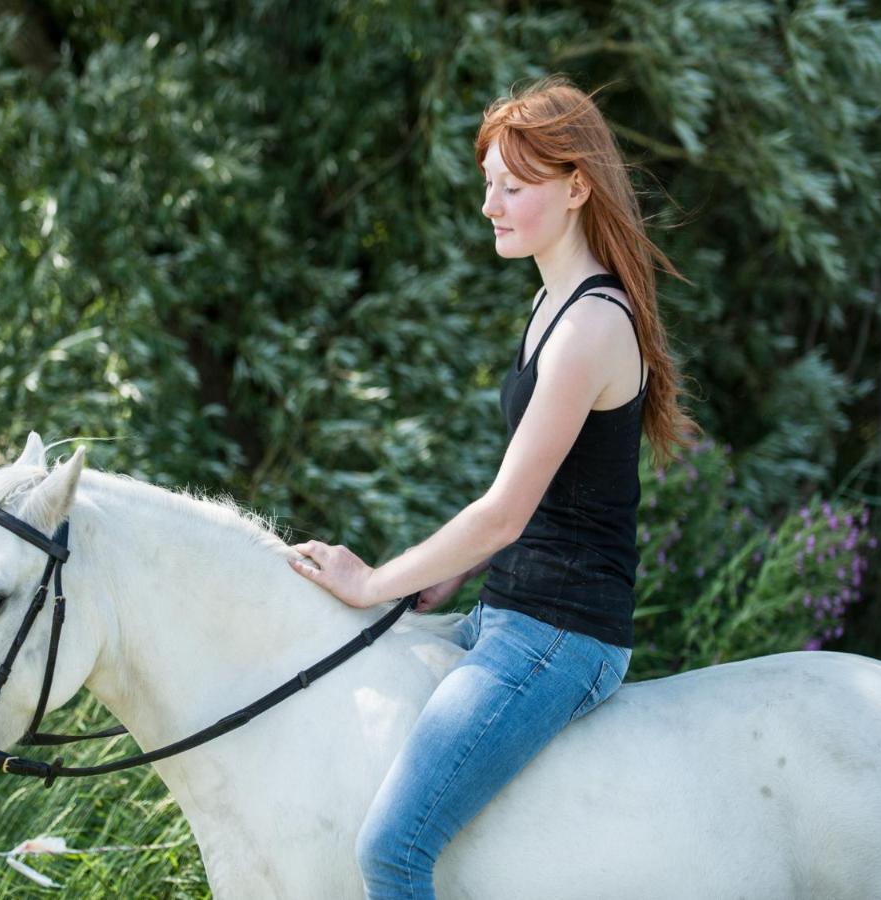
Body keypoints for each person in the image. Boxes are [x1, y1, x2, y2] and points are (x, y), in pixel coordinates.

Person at [287, 73, 701, 899]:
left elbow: (505, 513)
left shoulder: (588, 325)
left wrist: (373, 582)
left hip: (560, 634)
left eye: (514, 186)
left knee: (392, 851)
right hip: (509, 612)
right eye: (489, 186)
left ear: (577, 185)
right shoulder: (551, 306)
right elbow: (539, 494)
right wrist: (448, 572)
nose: (492, 206)